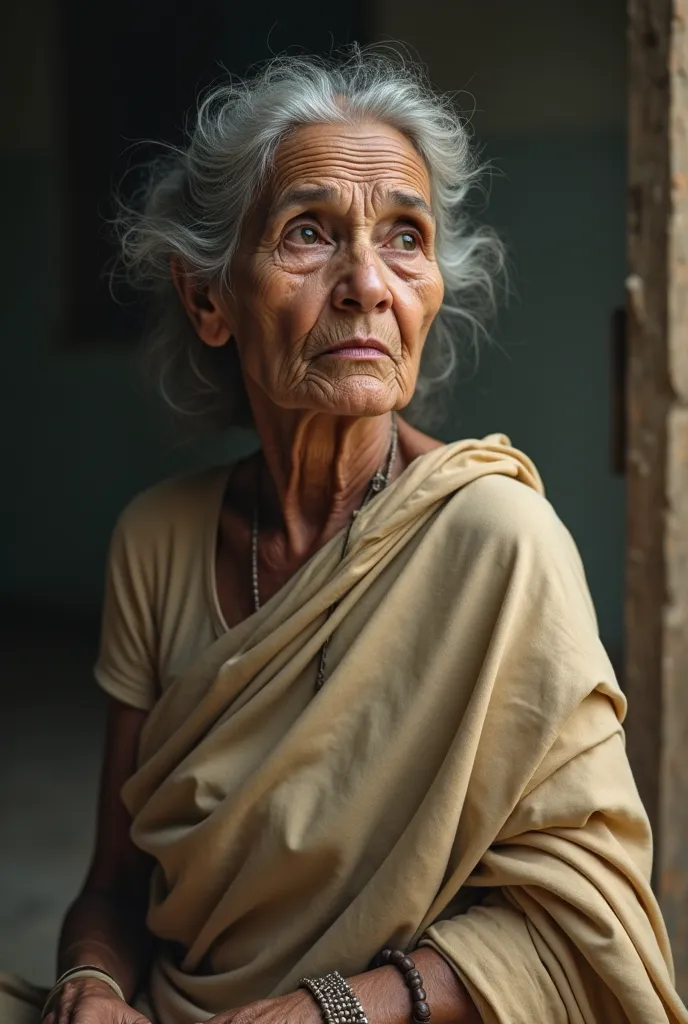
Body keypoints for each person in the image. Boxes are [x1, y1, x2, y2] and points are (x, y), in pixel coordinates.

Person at [2, 47, 687, 1024]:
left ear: (430, 292)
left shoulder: (498, 539)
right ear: (207, 298)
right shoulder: (156, 540)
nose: (368, 282)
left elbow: (588, 919)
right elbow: (114, 891)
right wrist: (93, 986)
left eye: (404, 237)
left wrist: (332, 1010)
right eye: (309, 232)